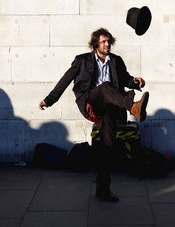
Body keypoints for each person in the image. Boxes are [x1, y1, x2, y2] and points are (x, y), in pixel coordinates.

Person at [38, 27, 149, 202]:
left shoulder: (116, 61)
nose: (107, 45)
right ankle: (134, 108)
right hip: (91, 102)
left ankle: (103, 189)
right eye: (103, 42)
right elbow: (65, 80)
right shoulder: (82, 61)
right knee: (104, 87)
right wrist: (49, 99)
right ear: (96, 44)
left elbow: (126, 79)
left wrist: (135, 82)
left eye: (108, 42)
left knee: (108, 146)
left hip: (110, 108)